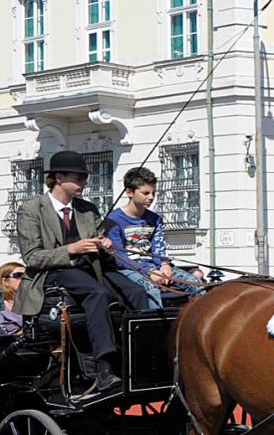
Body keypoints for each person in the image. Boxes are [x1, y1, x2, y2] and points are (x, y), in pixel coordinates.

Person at [13, 150, 125, 395]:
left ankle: (138, 362)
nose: (84, 183)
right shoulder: (31, 209)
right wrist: (71, 249)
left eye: (85, 178)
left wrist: (104, 244)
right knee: (97, 293)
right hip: (53, 272)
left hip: (90, 267)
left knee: (135, 292)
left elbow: (99, 237)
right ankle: (104, 368)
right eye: (79, 178)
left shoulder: (87, 208)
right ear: (59, 178)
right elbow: (32, 256)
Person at [103, 167, 207, 306]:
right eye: (145, 193)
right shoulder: (114, 219)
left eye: (153, 193)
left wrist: (164, 265)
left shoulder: (155, 219)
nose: (151, 197)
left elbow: (158, 248)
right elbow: (119, 257)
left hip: (155, 266)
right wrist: (149, 271)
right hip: (129, 269)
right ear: (129, 192)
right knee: (151, 290)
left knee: (196, 284)